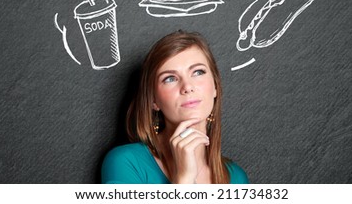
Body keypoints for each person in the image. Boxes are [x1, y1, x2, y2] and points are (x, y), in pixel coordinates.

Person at [101, 30, 249, 184]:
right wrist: (183, 179)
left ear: (215, 87)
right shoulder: (127, 162)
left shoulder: (236, 178)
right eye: (170, 78)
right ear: (153, 100)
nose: (187, 87)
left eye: (198, 72)